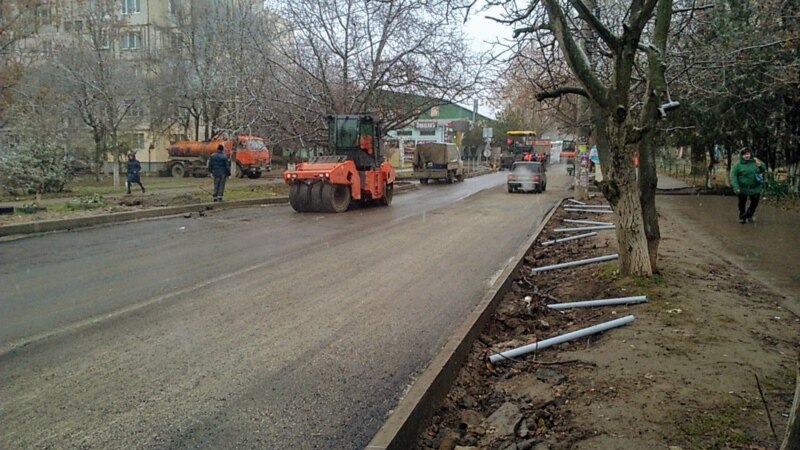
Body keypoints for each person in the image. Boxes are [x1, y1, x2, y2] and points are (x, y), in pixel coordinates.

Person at [730, 147, 766, 224]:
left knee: (754, 202)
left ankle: (750, 214)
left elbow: (763, 168)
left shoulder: (755, 161)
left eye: (748, 154)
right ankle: (742, 216)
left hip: (755, 188)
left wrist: (760, 165)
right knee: (742, 203)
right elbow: (733, 176)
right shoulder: (738, 165)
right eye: (744, 154)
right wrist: (736, 187)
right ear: (741, 155)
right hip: (743, 188)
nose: (747, 156)